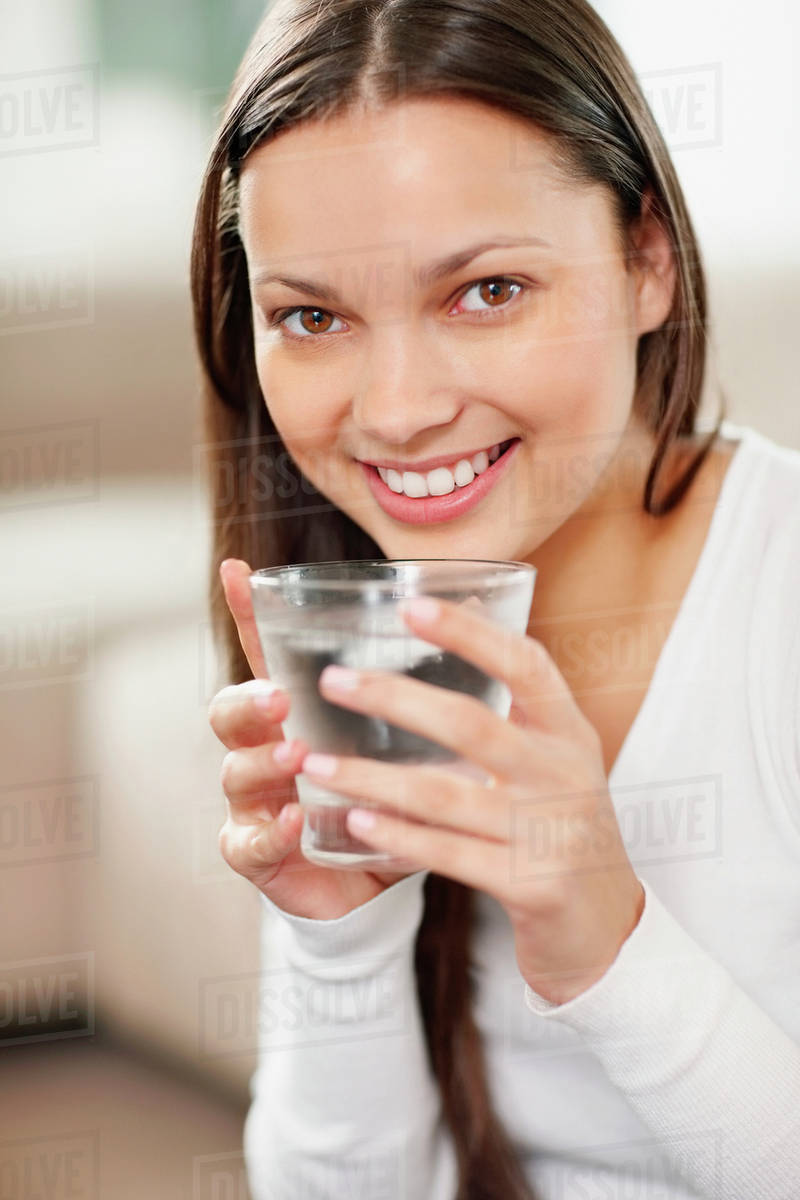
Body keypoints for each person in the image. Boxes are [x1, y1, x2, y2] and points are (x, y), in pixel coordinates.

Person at [192, 0, 800, 1196]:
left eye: (485, 291)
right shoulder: (338, 625)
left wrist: (608, 945)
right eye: (310, 316)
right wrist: (340, 934)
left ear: (647, 263)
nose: (398, 408)